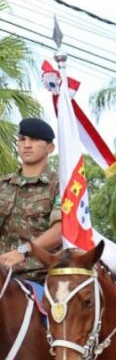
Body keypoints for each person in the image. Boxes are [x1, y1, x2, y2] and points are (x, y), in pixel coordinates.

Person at [0, 118, 62, 281]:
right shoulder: (3, 184)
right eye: (22, 139)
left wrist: (22, 251)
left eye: (34, 139)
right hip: (2, 276)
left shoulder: (60, 186)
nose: (26, 145)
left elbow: (60, 232)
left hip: (39, 277)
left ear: (50, 148)